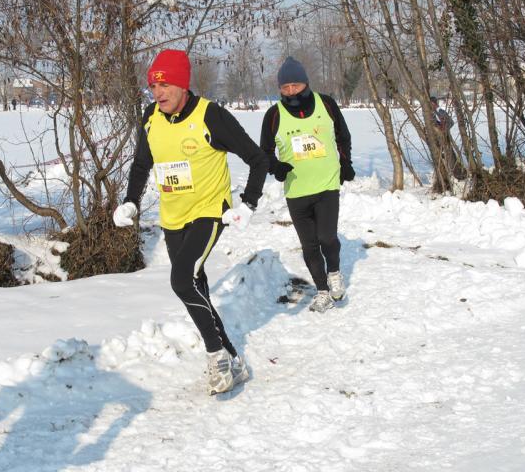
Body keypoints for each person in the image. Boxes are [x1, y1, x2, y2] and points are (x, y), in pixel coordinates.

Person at [113, 49, 268, 395]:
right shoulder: (150, 118)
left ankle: (216, 357)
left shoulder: (210, 116)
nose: (159, 93)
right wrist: (130, 202)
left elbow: (258, 159)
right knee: (195, 286)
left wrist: (249, 204)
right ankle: (233, 359)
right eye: (153, 86)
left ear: (183, 85)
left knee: (181, 281)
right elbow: (142, 164)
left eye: (165, 85)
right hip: (173, 217)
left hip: (209, 212)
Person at [260, 56, 354, 313]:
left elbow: (342, 136)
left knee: (327, 238)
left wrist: (346, 163)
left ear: (305, 83)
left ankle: (334, 273)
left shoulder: (326, 104)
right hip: (297, 191)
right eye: (285, 87)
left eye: (295, 86)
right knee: (309, 245)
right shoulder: (273, 115)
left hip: (326, 185)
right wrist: (275, 166)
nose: (290, 91)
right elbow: (264, 152)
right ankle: (322, 290)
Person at [430, 96, 465, 181]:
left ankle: (457, 175)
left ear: (434, 103)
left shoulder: (441, 112)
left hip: (444, 138)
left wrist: (443, 130)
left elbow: (451, 122)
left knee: (450, 156)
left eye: (431, 104)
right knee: (441, 157)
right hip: (437, 139)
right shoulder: (431, 113)